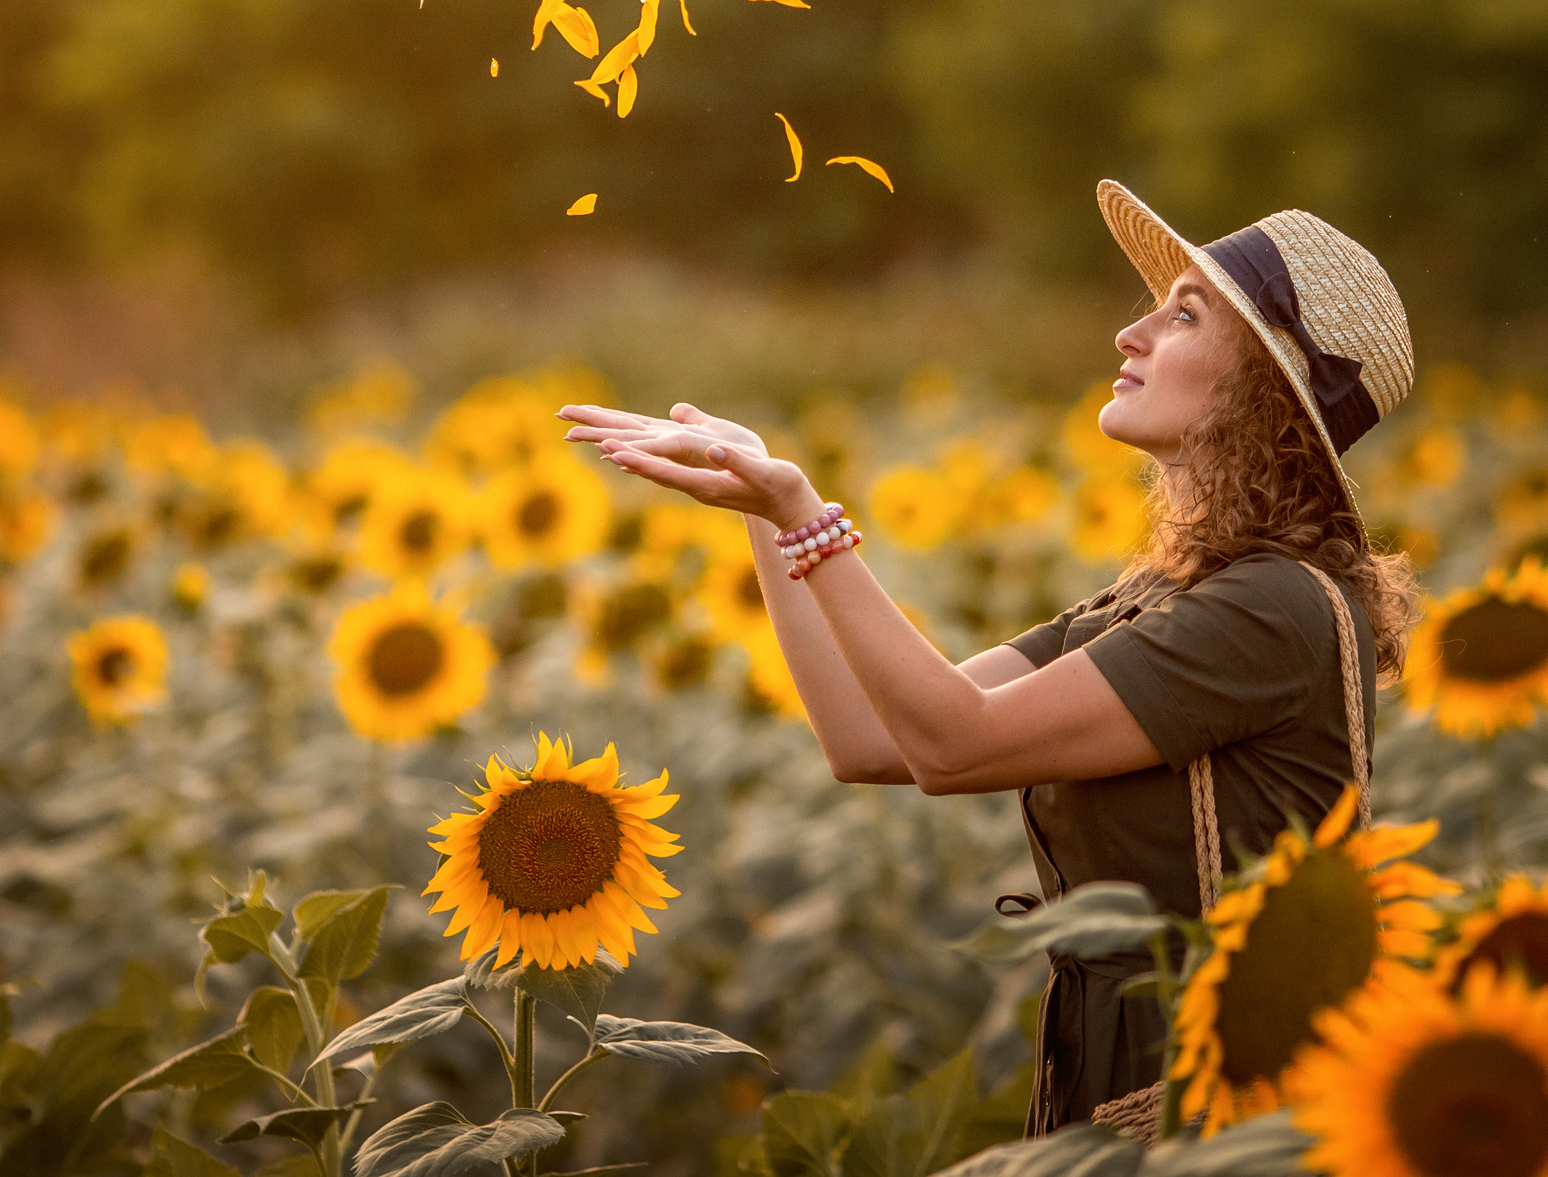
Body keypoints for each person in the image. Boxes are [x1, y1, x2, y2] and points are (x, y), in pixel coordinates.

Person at [558, 180, 1420, 1134]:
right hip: (1121, 1063)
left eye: (1182, 316)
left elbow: (953, 746)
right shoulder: (1163, 598)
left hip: (1211, 1091)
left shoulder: (1270, 607)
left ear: (1264, 386)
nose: (1130, 336)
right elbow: (872, 741)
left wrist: (811, 516)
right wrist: (766, 513)